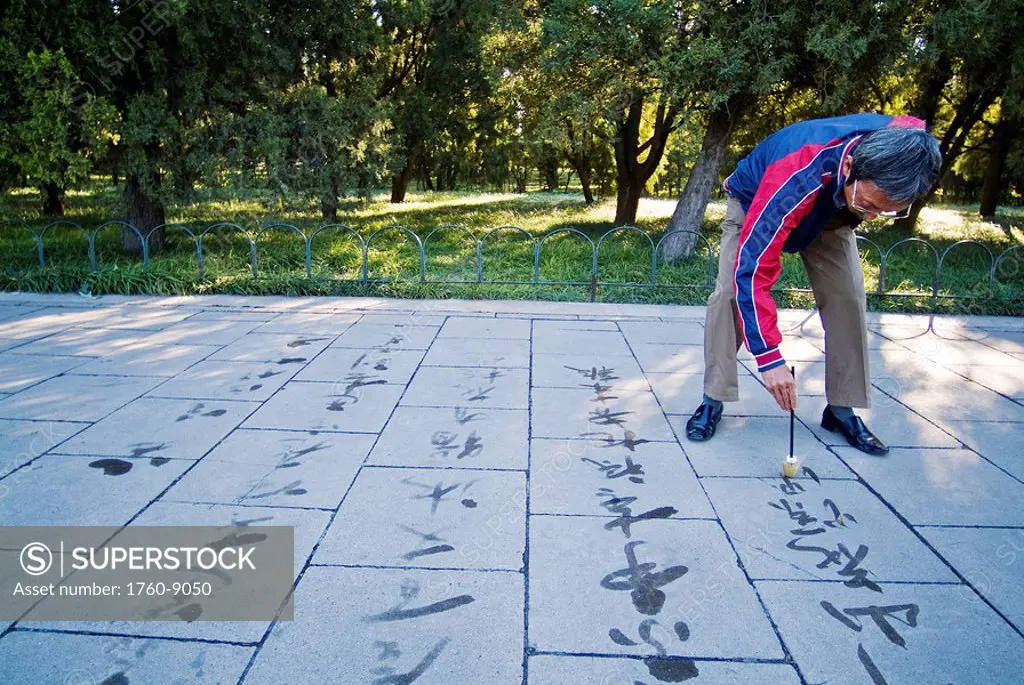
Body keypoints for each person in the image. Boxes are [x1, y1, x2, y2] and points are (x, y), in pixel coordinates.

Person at [685, 113, 942, 455]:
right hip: (756, 203)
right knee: (731, 294)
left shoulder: (906, 151)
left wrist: (860, 205)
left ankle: (841, 408)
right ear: (850, 165)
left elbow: (912, 131)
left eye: (887, 211)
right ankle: (712, 399)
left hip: (832, 211)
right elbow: (752, 269)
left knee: (848, 297)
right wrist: (769, 359)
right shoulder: (795, 173)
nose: (872, 217)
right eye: (869, 205)